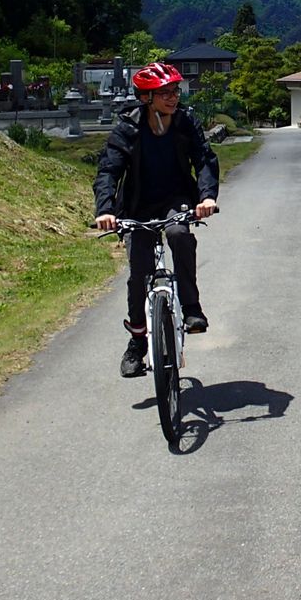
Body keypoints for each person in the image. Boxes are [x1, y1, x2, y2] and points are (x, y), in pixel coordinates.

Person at [94, 62, 220, 377]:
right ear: (146, 97)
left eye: (175, 90)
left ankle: (191, 308)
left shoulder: (184, 123)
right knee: (139, 273)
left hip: (175, 198)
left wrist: (206, 197)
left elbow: (203, 158)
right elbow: (109, 170)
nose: (173, 97)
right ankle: (137, 341)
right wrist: (105, 210)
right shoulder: (128, 128)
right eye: (165, 92)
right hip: (137, 205)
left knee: (179, 235)